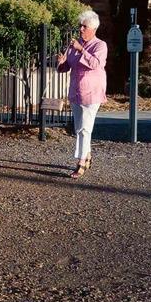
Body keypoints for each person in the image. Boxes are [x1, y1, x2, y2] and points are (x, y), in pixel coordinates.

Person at [57, 10, 108, 179]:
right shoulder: (75, 44)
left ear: (93, 28)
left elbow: (96, 64)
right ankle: (87, 155)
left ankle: (81, 161)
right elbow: (67, 67)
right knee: (79, 127)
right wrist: (61, 63)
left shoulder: (100, 45)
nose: (80, 29)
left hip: (91, 92)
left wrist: (81, 50)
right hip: (76, 92)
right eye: (80, 26)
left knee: (84, 129)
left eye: (84, 26)